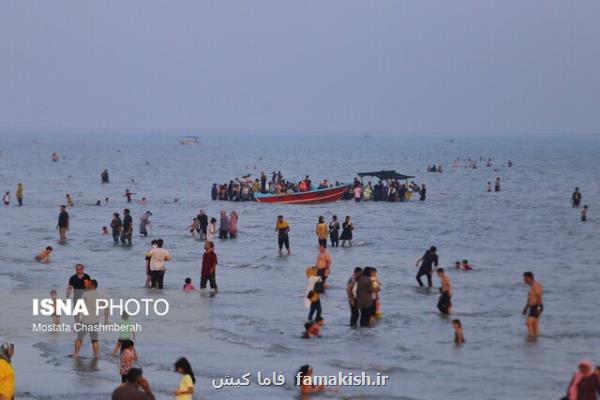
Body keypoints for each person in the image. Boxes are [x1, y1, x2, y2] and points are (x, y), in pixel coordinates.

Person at [74, 280, 108, 358]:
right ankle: (96, 355)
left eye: (89, 284)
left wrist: (77, 320)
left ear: (92, 285)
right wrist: (106, 319)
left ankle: (76, 354)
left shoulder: (85, 294)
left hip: (85, 320)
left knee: (79, 338)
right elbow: (106, 308)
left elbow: (79, 307)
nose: (87, 285)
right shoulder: (100, 295)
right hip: (95, 321)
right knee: (94, 340)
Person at [522, 271, 543, 338]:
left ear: (530, 278)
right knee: (534, 324)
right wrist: (525, 308)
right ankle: (534, 338)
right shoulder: (531, 287)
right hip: (532, 307)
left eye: (525, 279)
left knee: (529, 323)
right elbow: (530, 299)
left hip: (537, 306)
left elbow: (539, 296)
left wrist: (538, 308)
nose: (524, 280)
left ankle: (531, 337)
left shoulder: (535, 285)